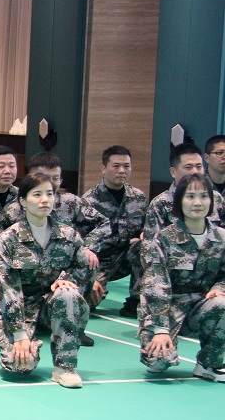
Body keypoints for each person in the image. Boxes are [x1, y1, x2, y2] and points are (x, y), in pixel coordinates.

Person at [0, 152, 106, 346]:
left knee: (78, 276)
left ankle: (73, 326)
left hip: (53, 293)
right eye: (38, 192)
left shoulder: (70, 212)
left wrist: (71, 273)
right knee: (19, 359)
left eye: (54, 181)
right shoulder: (11, 220)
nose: (45, 196)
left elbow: (102, 225)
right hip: (21, 300)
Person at [0, 174, 91, 388]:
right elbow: (9, 290)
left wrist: (66, 279)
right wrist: (20, 336)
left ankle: (65, 367)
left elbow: (82, 268)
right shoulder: (9, 239)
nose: (44, 200)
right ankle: (30, 343)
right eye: (37, 195)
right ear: (23, 201)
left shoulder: (69, 235)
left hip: (52, 304)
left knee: (68, 294)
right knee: (20, 365)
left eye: (49, 194)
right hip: (20, 308)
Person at [137, 174, 225, 382]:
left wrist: (220, 287)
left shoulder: (222, 238)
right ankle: (161, 346)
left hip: (202, 306)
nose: (197, 203)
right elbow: (155, 285)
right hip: (168, 308)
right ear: (179, 201)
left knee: (223, 303)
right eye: (190, 196)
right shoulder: (164, 238)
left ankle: (209, 363)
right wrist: (160, 329)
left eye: (204, 196)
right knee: (157, 362)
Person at [81, 145, 148, 317]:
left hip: (125, 257)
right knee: (85, 305)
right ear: (103, 168)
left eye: (126, 166)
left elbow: (143, 229)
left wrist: (144, 235)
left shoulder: (138, 198)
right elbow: (79, 244)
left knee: (145, 245)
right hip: (97, 262)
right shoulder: (89, 201)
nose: (122, 171)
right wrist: (88, 278)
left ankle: (135, 302)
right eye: (116, 166)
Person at [143, 143, 225, 240]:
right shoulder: (160, 204)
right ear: (173, 172)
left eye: (199, 167)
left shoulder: (216, 198)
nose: (195, 171)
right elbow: (151, 244)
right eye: (188, 167)